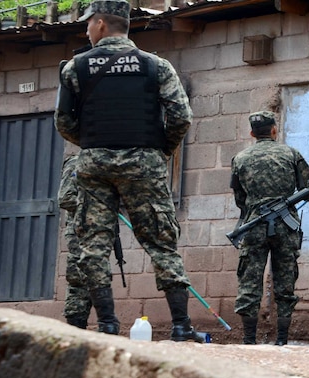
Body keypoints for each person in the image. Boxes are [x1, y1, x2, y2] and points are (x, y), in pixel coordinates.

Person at [54, 0, 203, 342]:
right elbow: (181, 116)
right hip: (144, 162)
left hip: (94, 165)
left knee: (93, 244)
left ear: (102, 24)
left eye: (88, 23)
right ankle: (181, 325)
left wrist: (94, 144)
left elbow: (63, 122)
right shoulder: (156, 65)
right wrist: (159, 151)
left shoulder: (75, 68)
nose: (86, 29)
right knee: (162, 244)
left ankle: (107, 324)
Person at [230, 111, 309, 345]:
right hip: (285, 228)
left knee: (249, 283)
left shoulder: (240, 159)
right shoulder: (291, 154)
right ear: (274, 130)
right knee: (285, 283)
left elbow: (240, 198)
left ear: (252, 133)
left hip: (253, 225)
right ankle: (281, 340)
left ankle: (249, 340)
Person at [57, 155, 93, 330]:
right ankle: (75, 326)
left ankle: (83, 324)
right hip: (79, 231)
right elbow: (65, 198)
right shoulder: (76, 161)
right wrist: (95, 207)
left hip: (97, 232)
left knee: (95, 277)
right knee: (78, 279)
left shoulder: (105, 161)